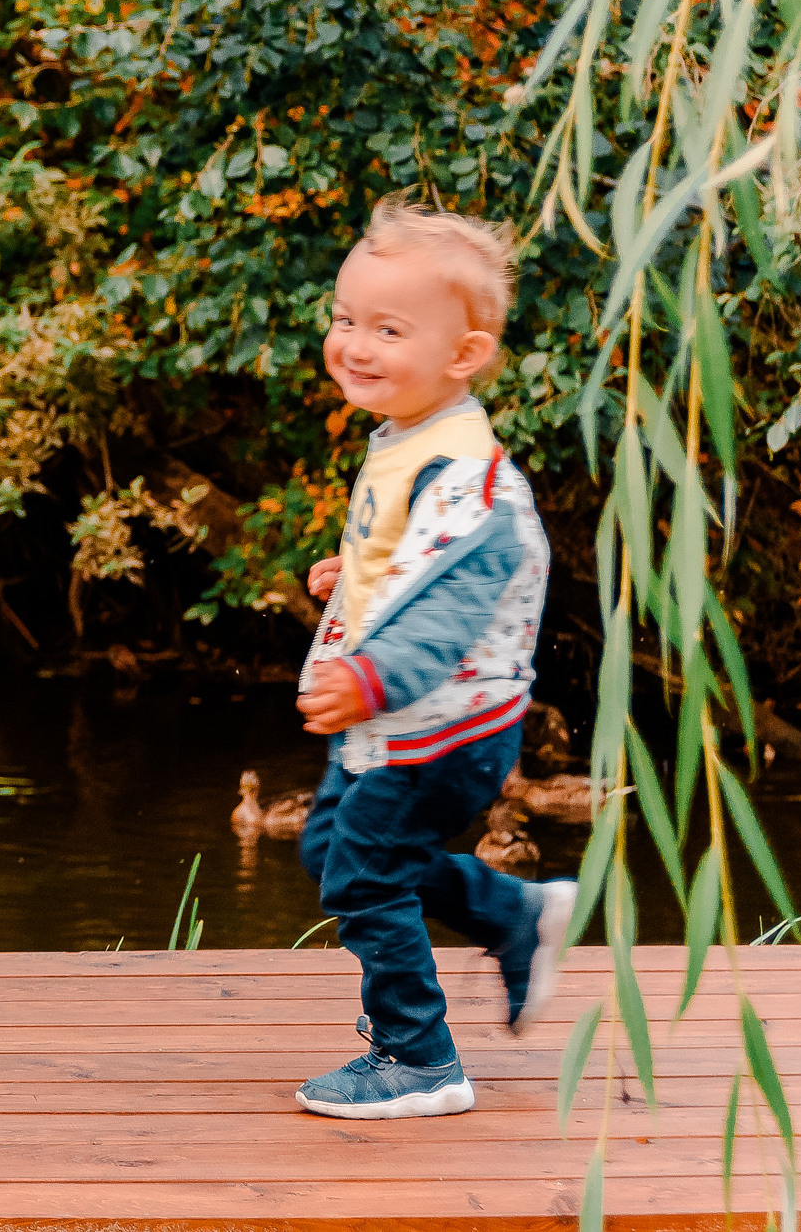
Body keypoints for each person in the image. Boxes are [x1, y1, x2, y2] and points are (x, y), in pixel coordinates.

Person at [286, 197, 575, 1120]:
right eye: (345, 319)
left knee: (364, 872)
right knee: (332, 848)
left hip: (442, 725)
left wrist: (368, 674)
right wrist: (354, 576)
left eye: (387, 328)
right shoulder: (411, 440)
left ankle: (421, 1057)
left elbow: (452, 607)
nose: (355, 344)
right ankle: (512, 915)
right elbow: (415, 566)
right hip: (398, 719)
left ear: (463, 355)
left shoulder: (467, 474)